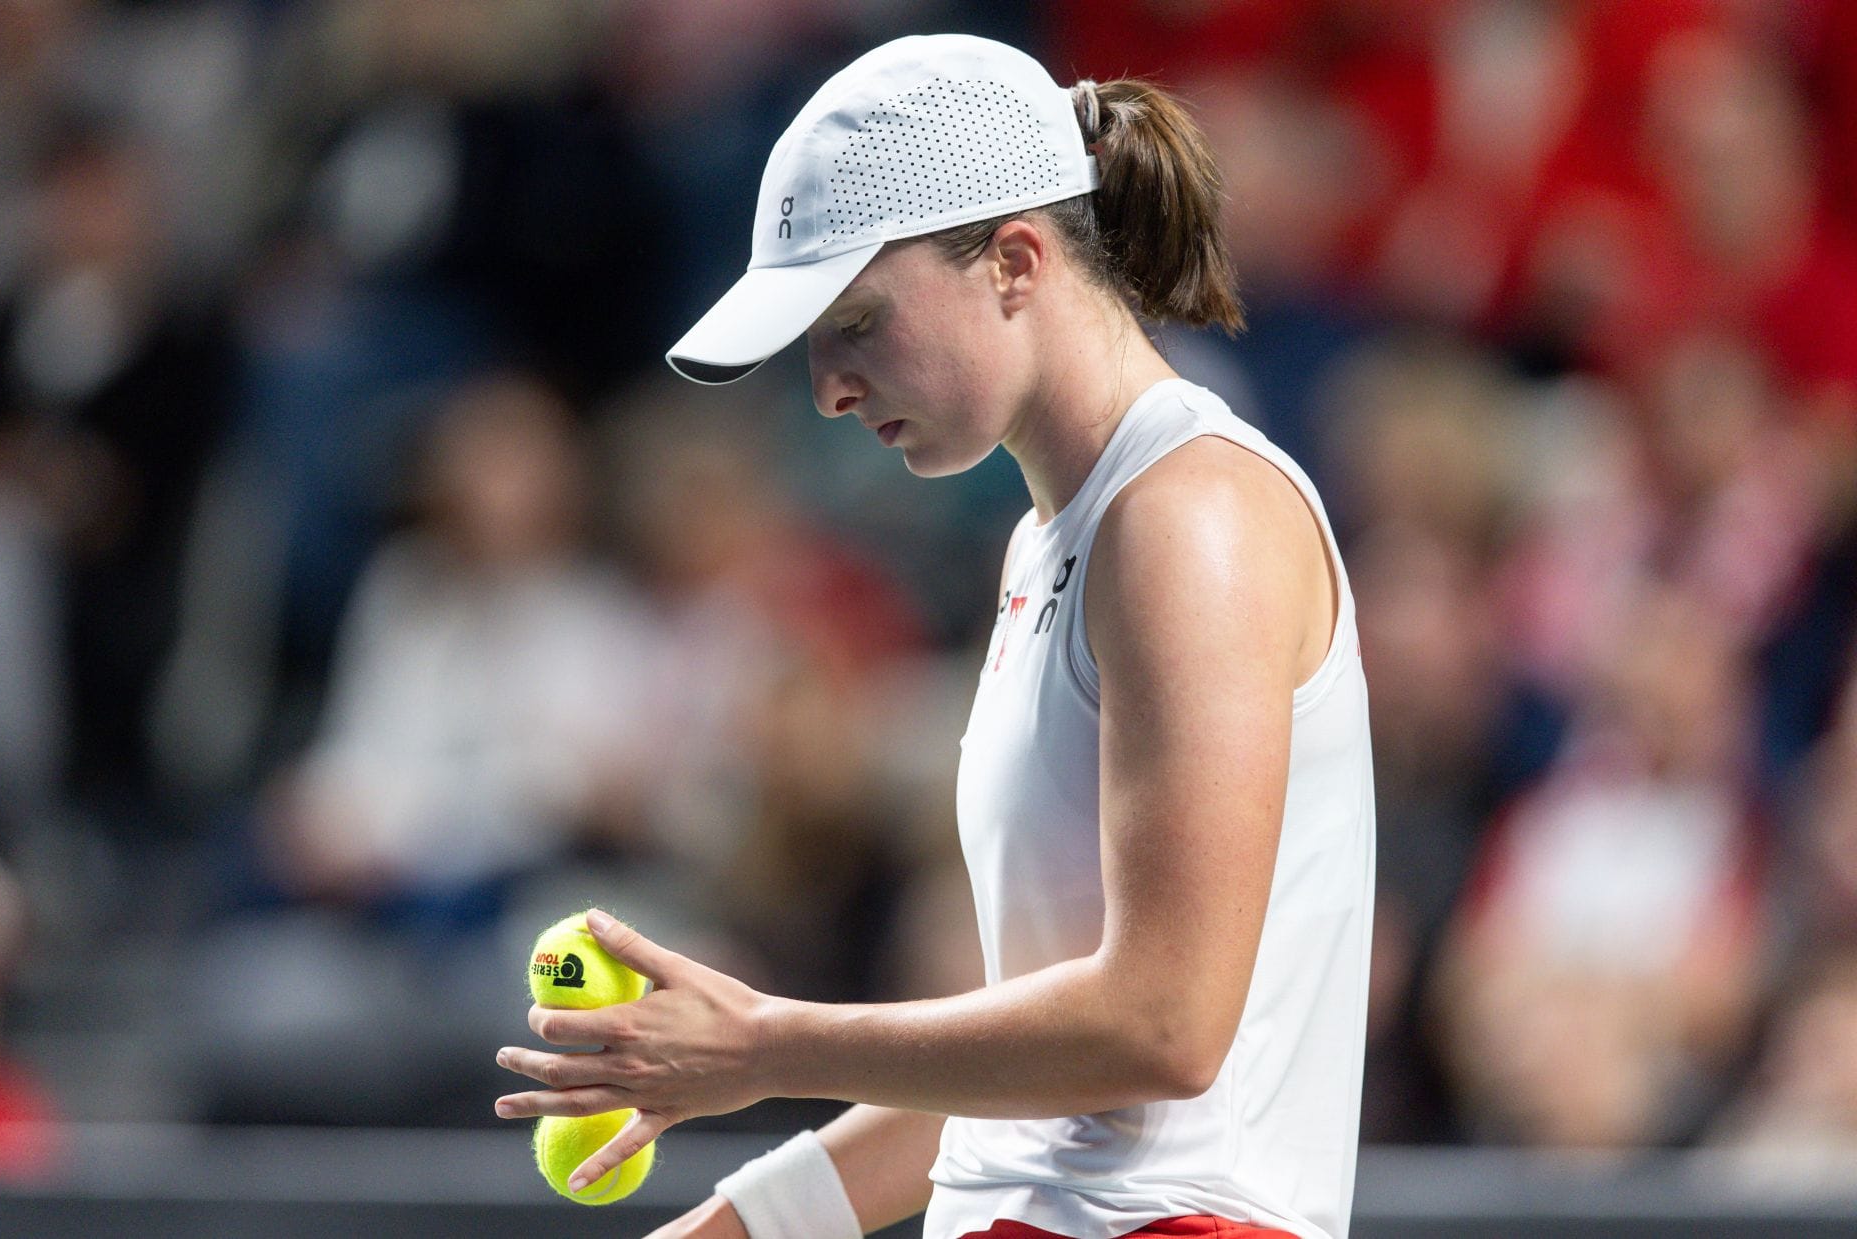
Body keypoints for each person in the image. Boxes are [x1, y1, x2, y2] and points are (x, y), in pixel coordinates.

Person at [494, 34, 1375, 1239]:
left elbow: (1163, 1027)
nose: (828, 389)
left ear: (1015, 262)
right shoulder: (1054, 542)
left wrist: (764, 1046)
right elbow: (1024, 1081)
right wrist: (728, 1229)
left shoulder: (1189, 515)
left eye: (858, 322)